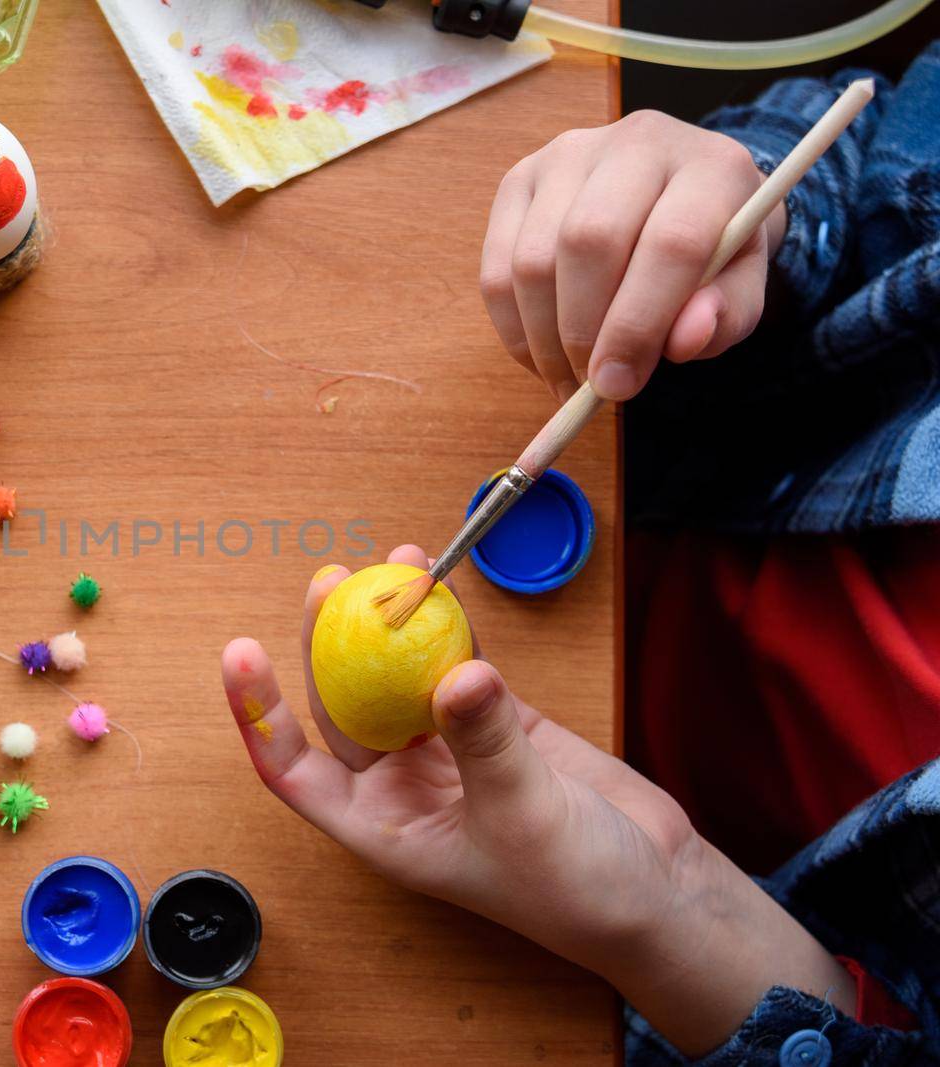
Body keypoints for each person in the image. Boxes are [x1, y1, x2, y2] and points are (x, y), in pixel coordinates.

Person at [221, 43, 940, 1065]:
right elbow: (864, 146)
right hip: (662, 495)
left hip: (710, 899)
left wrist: (670, 914)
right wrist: (726, 220)